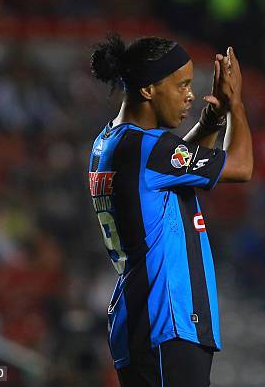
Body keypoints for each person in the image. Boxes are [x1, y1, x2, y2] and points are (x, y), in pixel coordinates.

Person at [87, 32, 253, 387]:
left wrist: (211, 119)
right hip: (167, 318)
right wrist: (235, 104)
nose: (190, 95)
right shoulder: (148, 148)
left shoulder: (109, 142)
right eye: (182, 85)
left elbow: (175, 168)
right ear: (149, 89)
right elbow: (241, 167)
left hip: (141, 320)